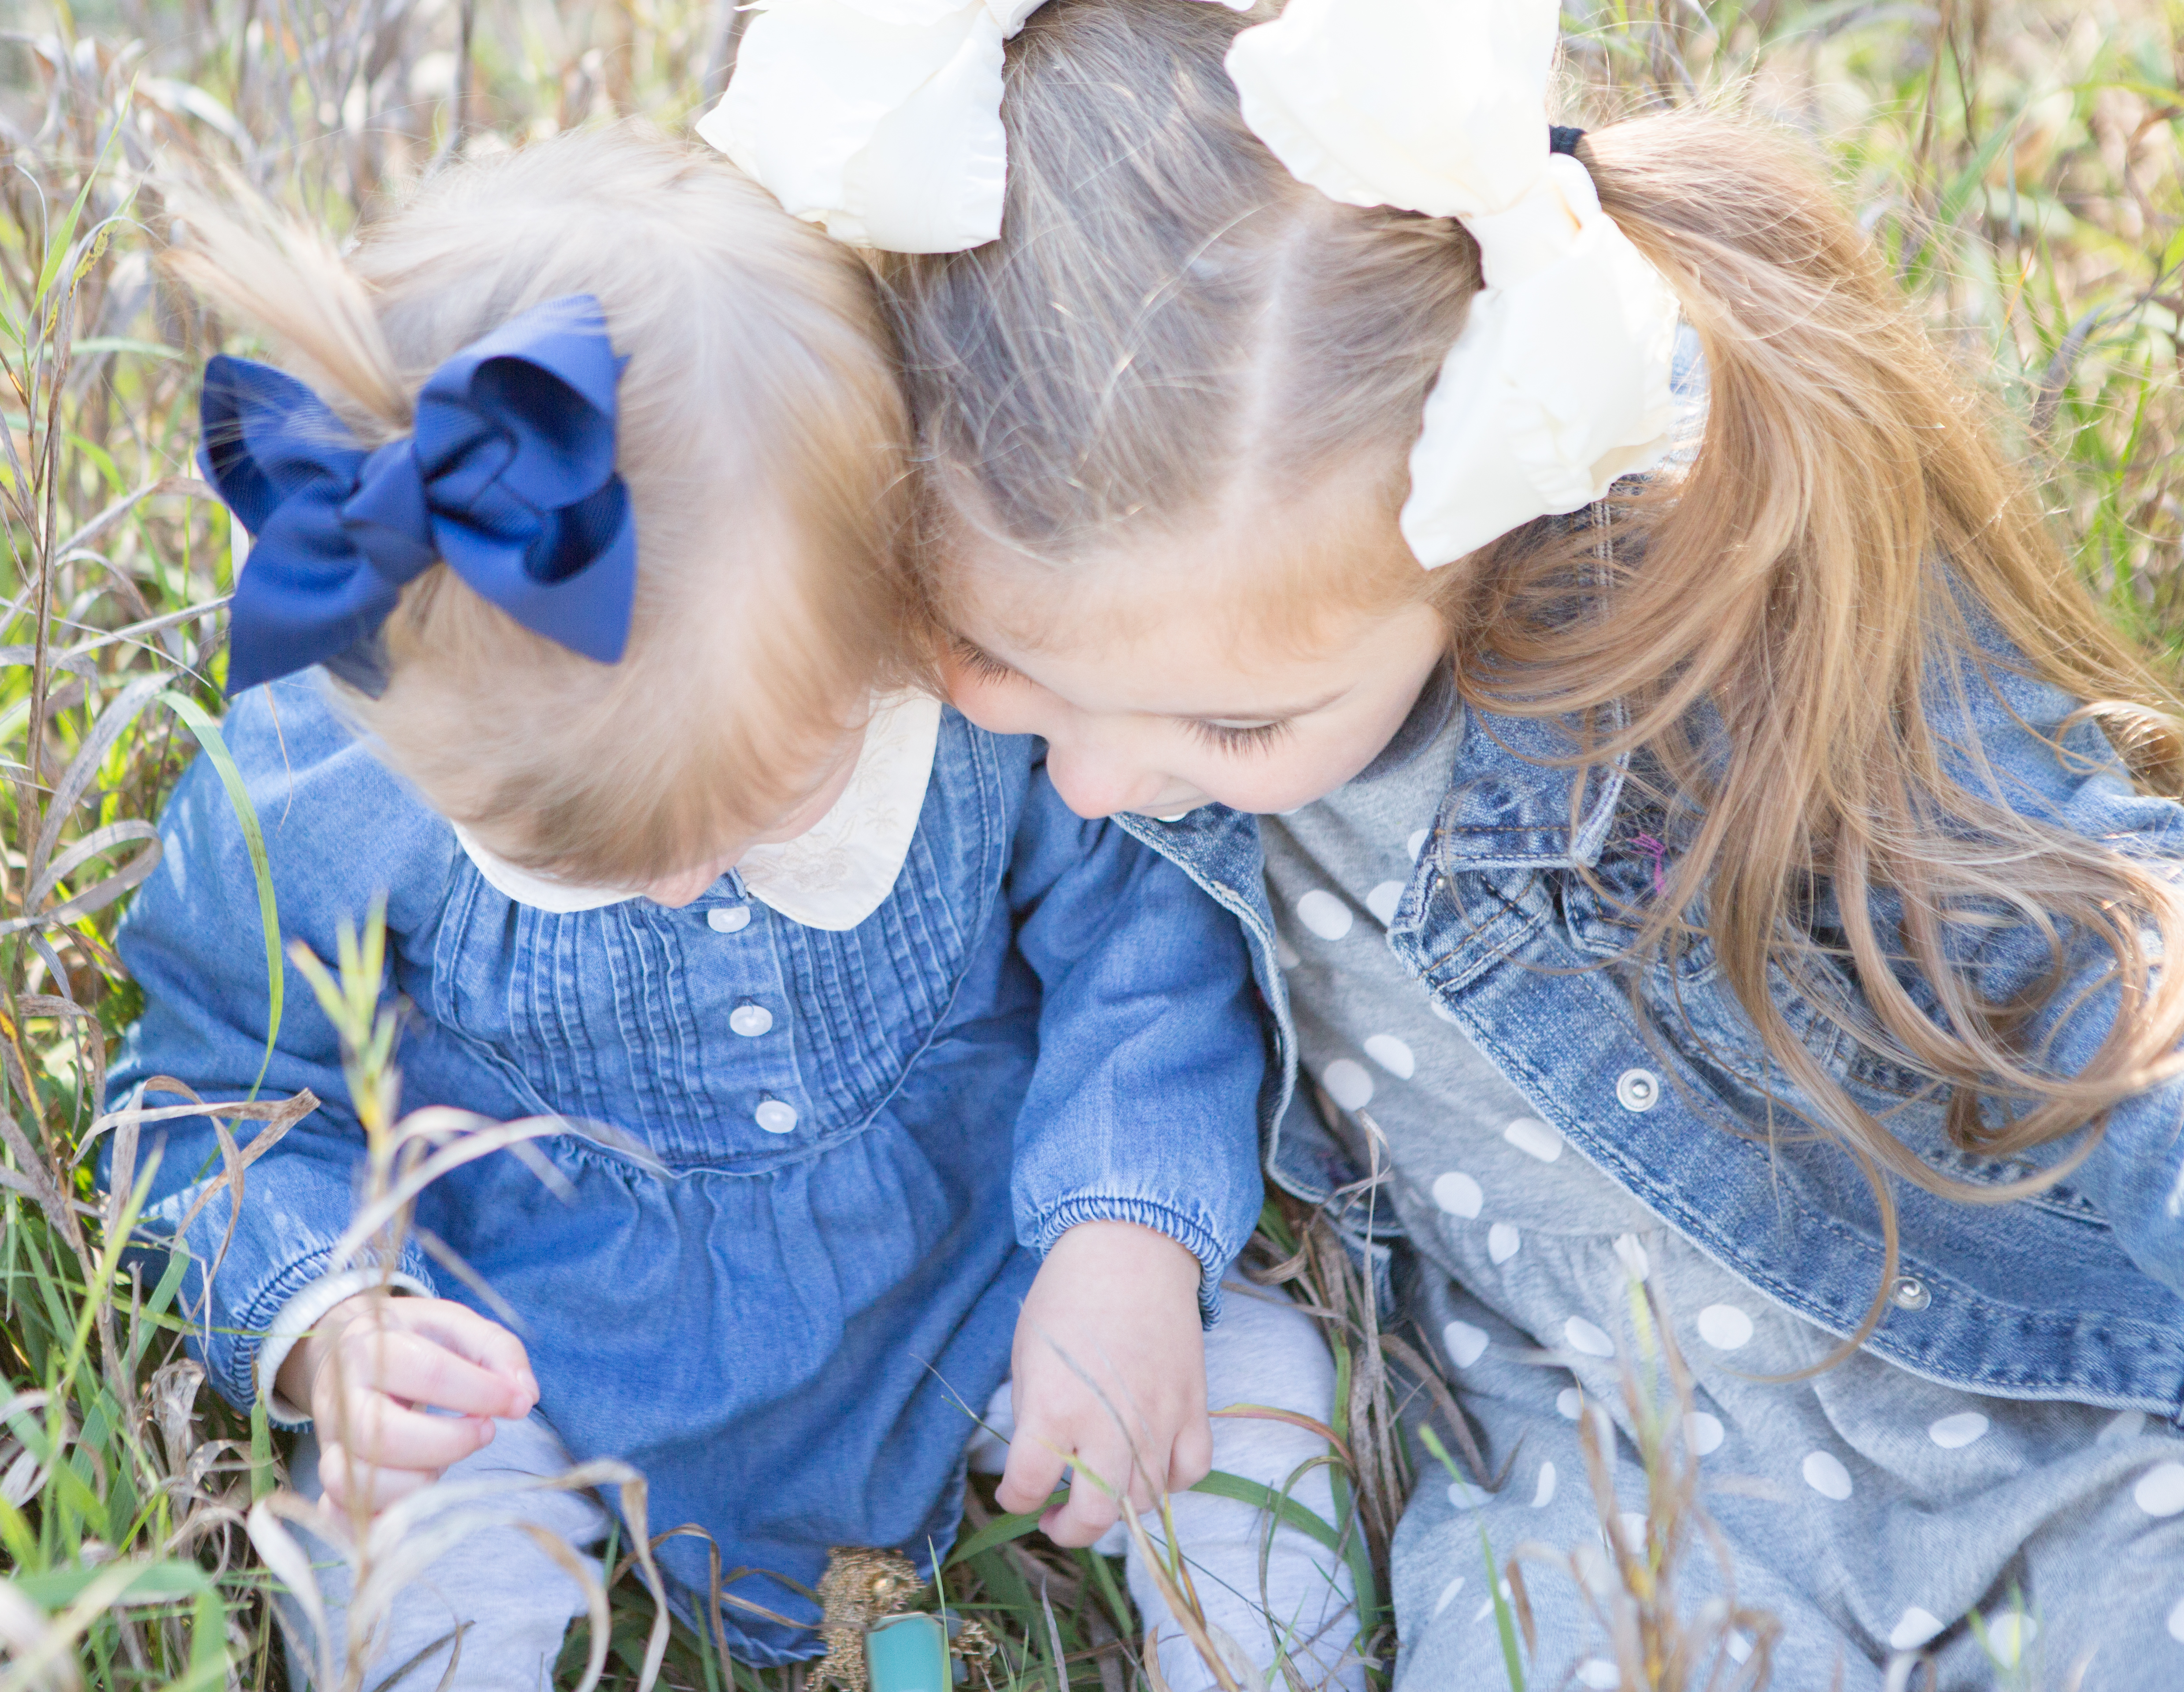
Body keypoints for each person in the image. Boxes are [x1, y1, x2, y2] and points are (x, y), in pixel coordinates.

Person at [769, 0, 2184, 1682]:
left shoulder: (1696, 586)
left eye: (1233, 732)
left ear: (1471, 512)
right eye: (1005, 676)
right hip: (1603, 1468)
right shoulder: (1149, 645)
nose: (1092, 787)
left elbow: (2090, 936)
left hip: (2036, 1399)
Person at [108, 126, 1359, 1692]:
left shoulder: (974, 710)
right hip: (532, 1340)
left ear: (896, 618)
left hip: (974, 1264)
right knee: (404, 1535)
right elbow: (202, 1092)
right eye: (576, 853)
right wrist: (331, 1320)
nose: (690, 884)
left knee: (1254, 1384)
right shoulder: (336, 771)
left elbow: (1141, 950)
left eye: (768, 809)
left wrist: (1123, 1240)